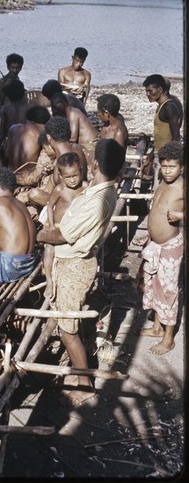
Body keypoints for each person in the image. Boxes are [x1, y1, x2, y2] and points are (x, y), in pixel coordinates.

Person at [37, 138, 126, 407]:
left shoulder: (96, 200)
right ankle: (80, 369)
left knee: (67, 328)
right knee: (72, 321)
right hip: (71, 263)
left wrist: (40, 233)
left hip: (74, 266)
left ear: (94, 163)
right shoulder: (97, 191)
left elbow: (62, 235)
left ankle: (85, 384)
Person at [139, 142, 184, 355]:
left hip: (170, 247)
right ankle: (157, 327)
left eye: (172, 167)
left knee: (168, 291)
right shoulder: (163, 182)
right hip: (156, 245)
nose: (167, 171)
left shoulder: (182, 186)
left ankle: (168, 339)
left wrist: (180, 216)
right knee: (155, 284)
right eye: (164, 166)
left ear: (181, 167)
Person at [43, 152, 87, 300]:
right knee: (49, 249)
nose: (73, 180)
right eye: (68, 177)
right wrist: (50, 226)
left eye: (75, 175)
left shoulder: (85, 187)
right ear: (61, 177)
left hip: (74, 227)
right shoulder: (60, 189)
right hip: (57, 225)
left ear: (81, 171)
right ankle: (49, 281)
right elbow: (50, 207)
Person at [17, 117, 88, 209]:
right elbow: (51, 186)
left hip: (71, 206)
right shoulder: (76, 148)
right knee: (28, 195)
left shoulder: (65, 161)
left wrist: (29, 196)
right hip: (71, 199)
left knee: (34, 194)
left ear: (48, 137)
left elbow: (70, 196)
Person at [141, 74, 181, 191]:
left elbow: (175, 139)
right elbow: (161, 138)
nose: (148, 94)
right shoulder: (160, 107)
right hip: (160, 153)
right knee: (156, 189)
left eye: (150, 91)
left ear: (160, 90)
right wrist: (150, 157)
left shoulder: (169, 108)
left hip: (166, 156)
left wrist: (166, 165)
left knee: (159, 191)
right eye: (146, 91)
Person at [4, 105, 51, 171]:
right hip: (29, 176)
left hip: (11, 173)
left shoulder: (13, 128)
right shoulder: (42, 129)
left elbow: (6, 154)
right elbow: (51, 154)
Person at [0, 79, 29, 154]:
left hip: (11, 140)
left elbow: (2, 132)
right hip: (27, 138)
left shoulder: (5, 109)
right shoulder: (29, 106)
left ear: (8, 96)